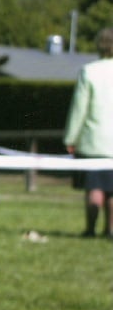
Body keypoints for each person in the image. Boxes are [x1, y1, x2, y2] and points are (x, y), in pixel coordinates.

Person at [64, 27, 113, 239]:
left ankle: (90, 229)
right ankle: (111, 230)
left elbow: (79, 109)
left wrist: (71, 138)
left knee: (95, 187)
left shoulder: (89, 71)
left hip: (94, 141)